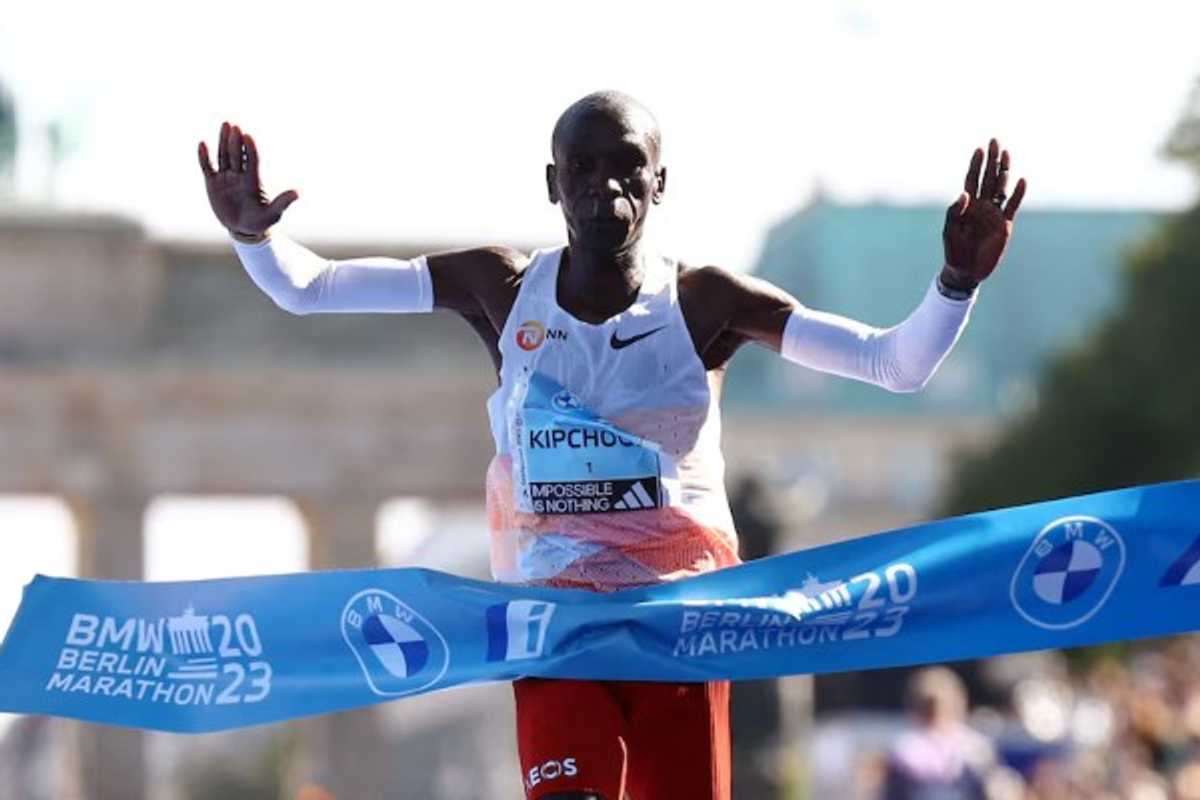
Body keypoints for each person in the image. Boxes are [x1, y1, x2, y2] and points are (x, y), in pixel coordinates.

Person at [198, 90, 1026, 800]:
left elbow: (894, 363)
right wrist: (253, 239)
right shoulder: (501, 288)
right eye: (582, 168)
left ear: (660, 181)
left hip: (680, 626)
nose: (605, 186)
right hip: (557, 626)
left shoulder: (705, 302)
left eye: (627, 164)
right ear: (553, 185)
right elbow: (310, 291)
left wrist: (957, 283)